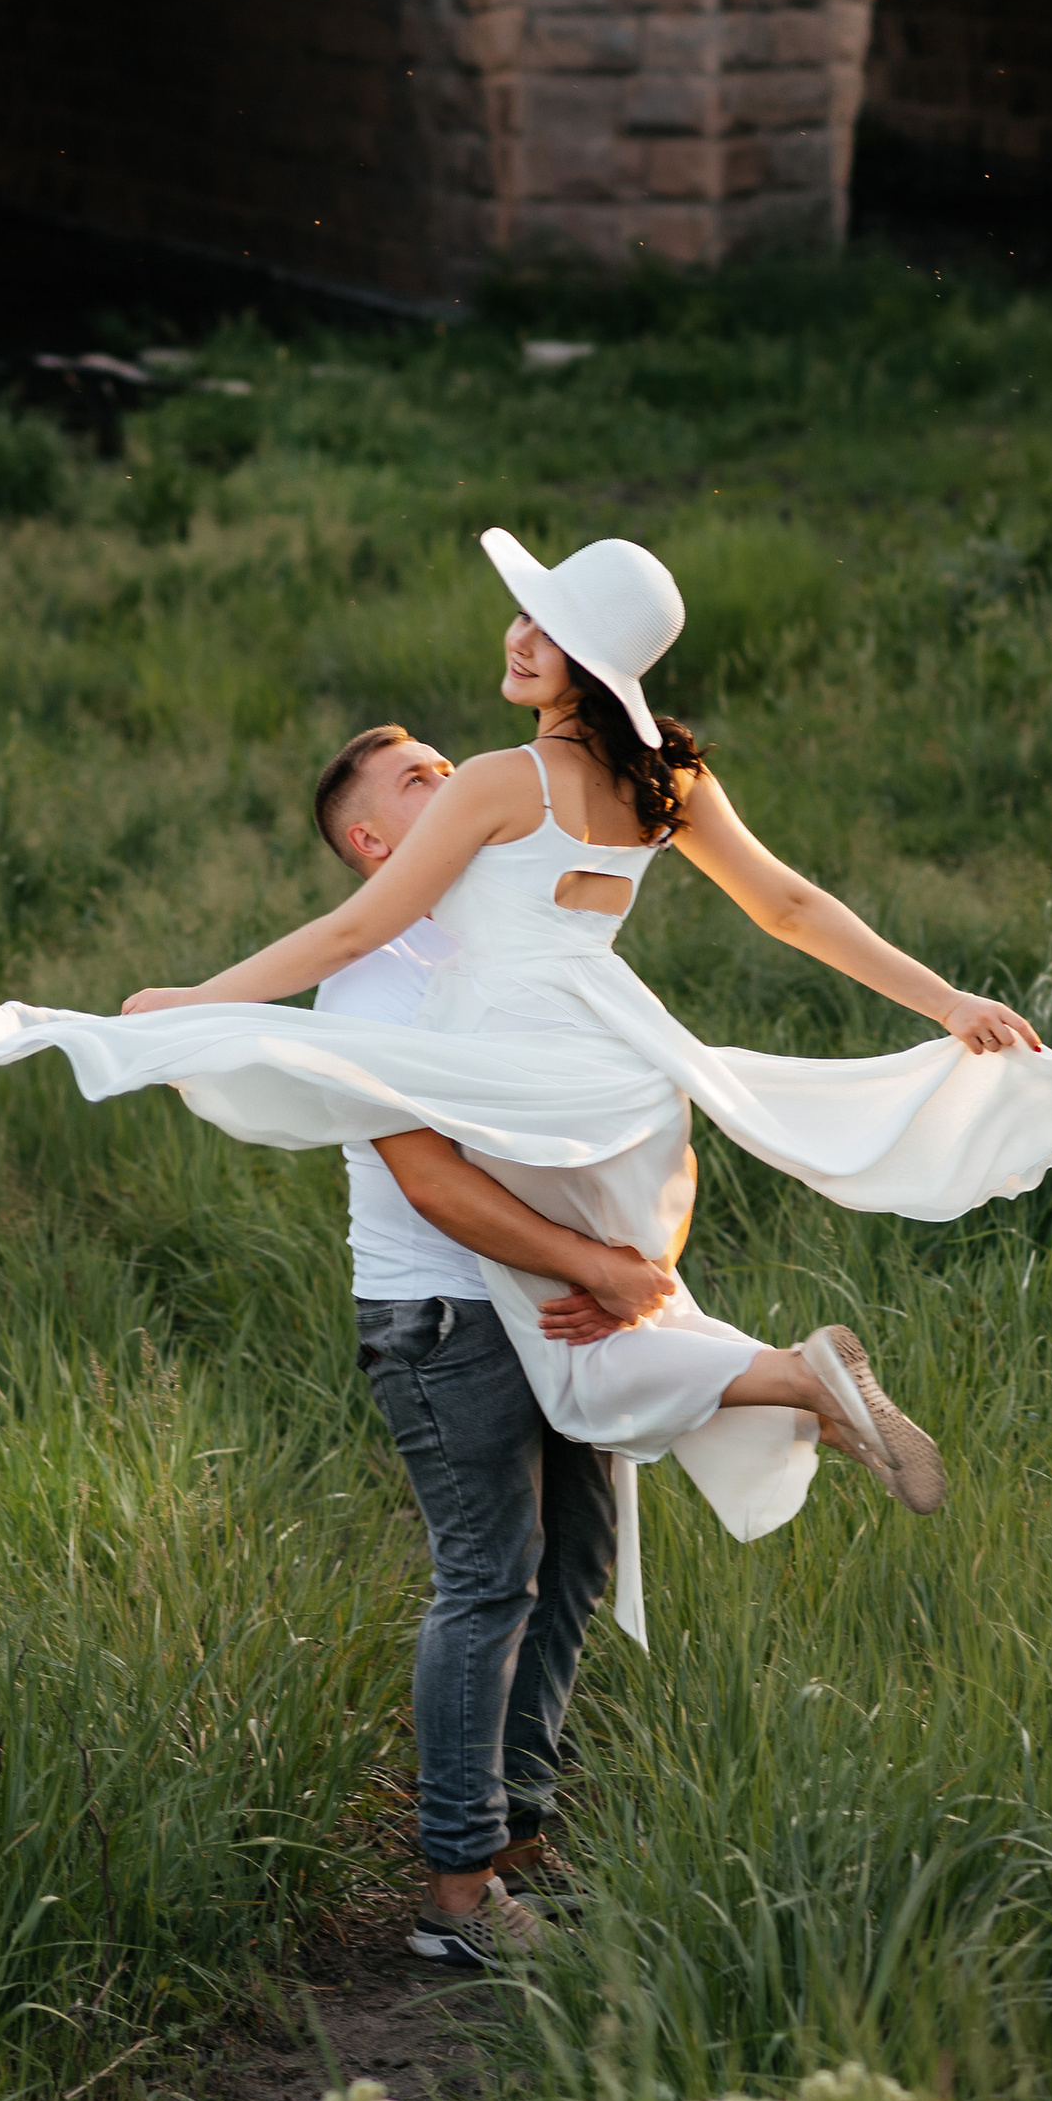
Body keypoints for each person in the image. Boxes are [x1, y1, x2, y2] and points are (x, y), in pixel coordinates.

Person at [0, 527, 1052, 1958]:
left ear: (576, 653)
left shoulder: (498, 782)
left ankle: (467, 1892)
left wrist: (181, 1008)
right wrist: (944, 995)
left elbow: (353, 926)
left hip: (511, 1086)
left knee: (521, 1528)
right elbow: (791, 904)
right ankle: (779, 1382)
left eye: (534, 625)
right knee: (600, 1398)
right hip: (615, 1085)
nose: (511, 641)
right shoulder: (667, 775)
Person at [307, 721, 675, 1971]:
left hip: (561, 1303)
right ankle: (455, 1896)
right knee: (489, 1580)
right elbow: (430, 1183)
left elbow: (636, 1108)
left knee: (576, 1560)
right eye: (421, 782)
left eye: (450, 767)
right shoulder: (367, 981)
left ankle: (519, 1839)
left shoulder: (519, 952)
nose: (457, 784)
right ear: (373, 843)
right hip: (448, 1316)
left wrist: (636, 1266)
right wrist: (591, 1267)